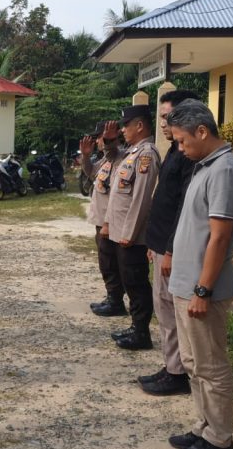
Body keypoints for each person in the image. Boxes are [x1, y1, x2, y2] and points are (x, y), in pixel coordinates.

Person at [165, 99, 233, 449]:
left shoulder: (224, 170)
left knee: (211, 365)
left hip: (202, 290)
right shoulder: (204, 166)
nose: (180, 148)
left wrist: (203, 289)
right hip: (185, 287)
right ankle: (204, 426)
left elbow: (219, 236)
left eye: (183, 141)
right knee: (193, 362)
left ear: (202, 131)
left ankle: (220, 439)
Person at [140, 90, 200, 396]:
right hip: (160, 243)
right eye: (161, 117)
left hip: (171, 247)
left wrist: (171, 249)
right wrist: (154, 243)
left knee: (170, 311)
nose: (163, 123)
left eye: (168, 117)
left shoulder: (189, 157)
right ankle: (171, 365)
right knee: (163, 310)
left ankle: (178, 372)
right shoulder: (175, 150)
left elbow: (183, 207)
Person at [105, 104, 160, 351]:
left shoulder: (147, 154)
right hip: (122, 234)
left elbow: (141, 199)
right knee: (129, 281)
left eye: (126, 125)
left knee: (137, 284)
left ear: (139, 126)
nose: (123, 130)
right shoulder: (132, 152)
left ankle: (141, 332)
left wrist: (129, 233)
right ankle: (135, 326)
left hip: (132, 236)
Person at [79, 119, 128, 317]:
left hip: (111, 222)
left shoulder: (121, 158)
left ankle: (116, 301)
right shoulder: (106, 160)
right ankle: (112, 297)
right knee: (106, 261)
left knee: (112, 263)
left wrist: (107, 222)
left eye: (99, 138)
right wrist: (85, 156)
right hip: (102, 221)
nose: (97, 142)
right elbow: (91, 172)